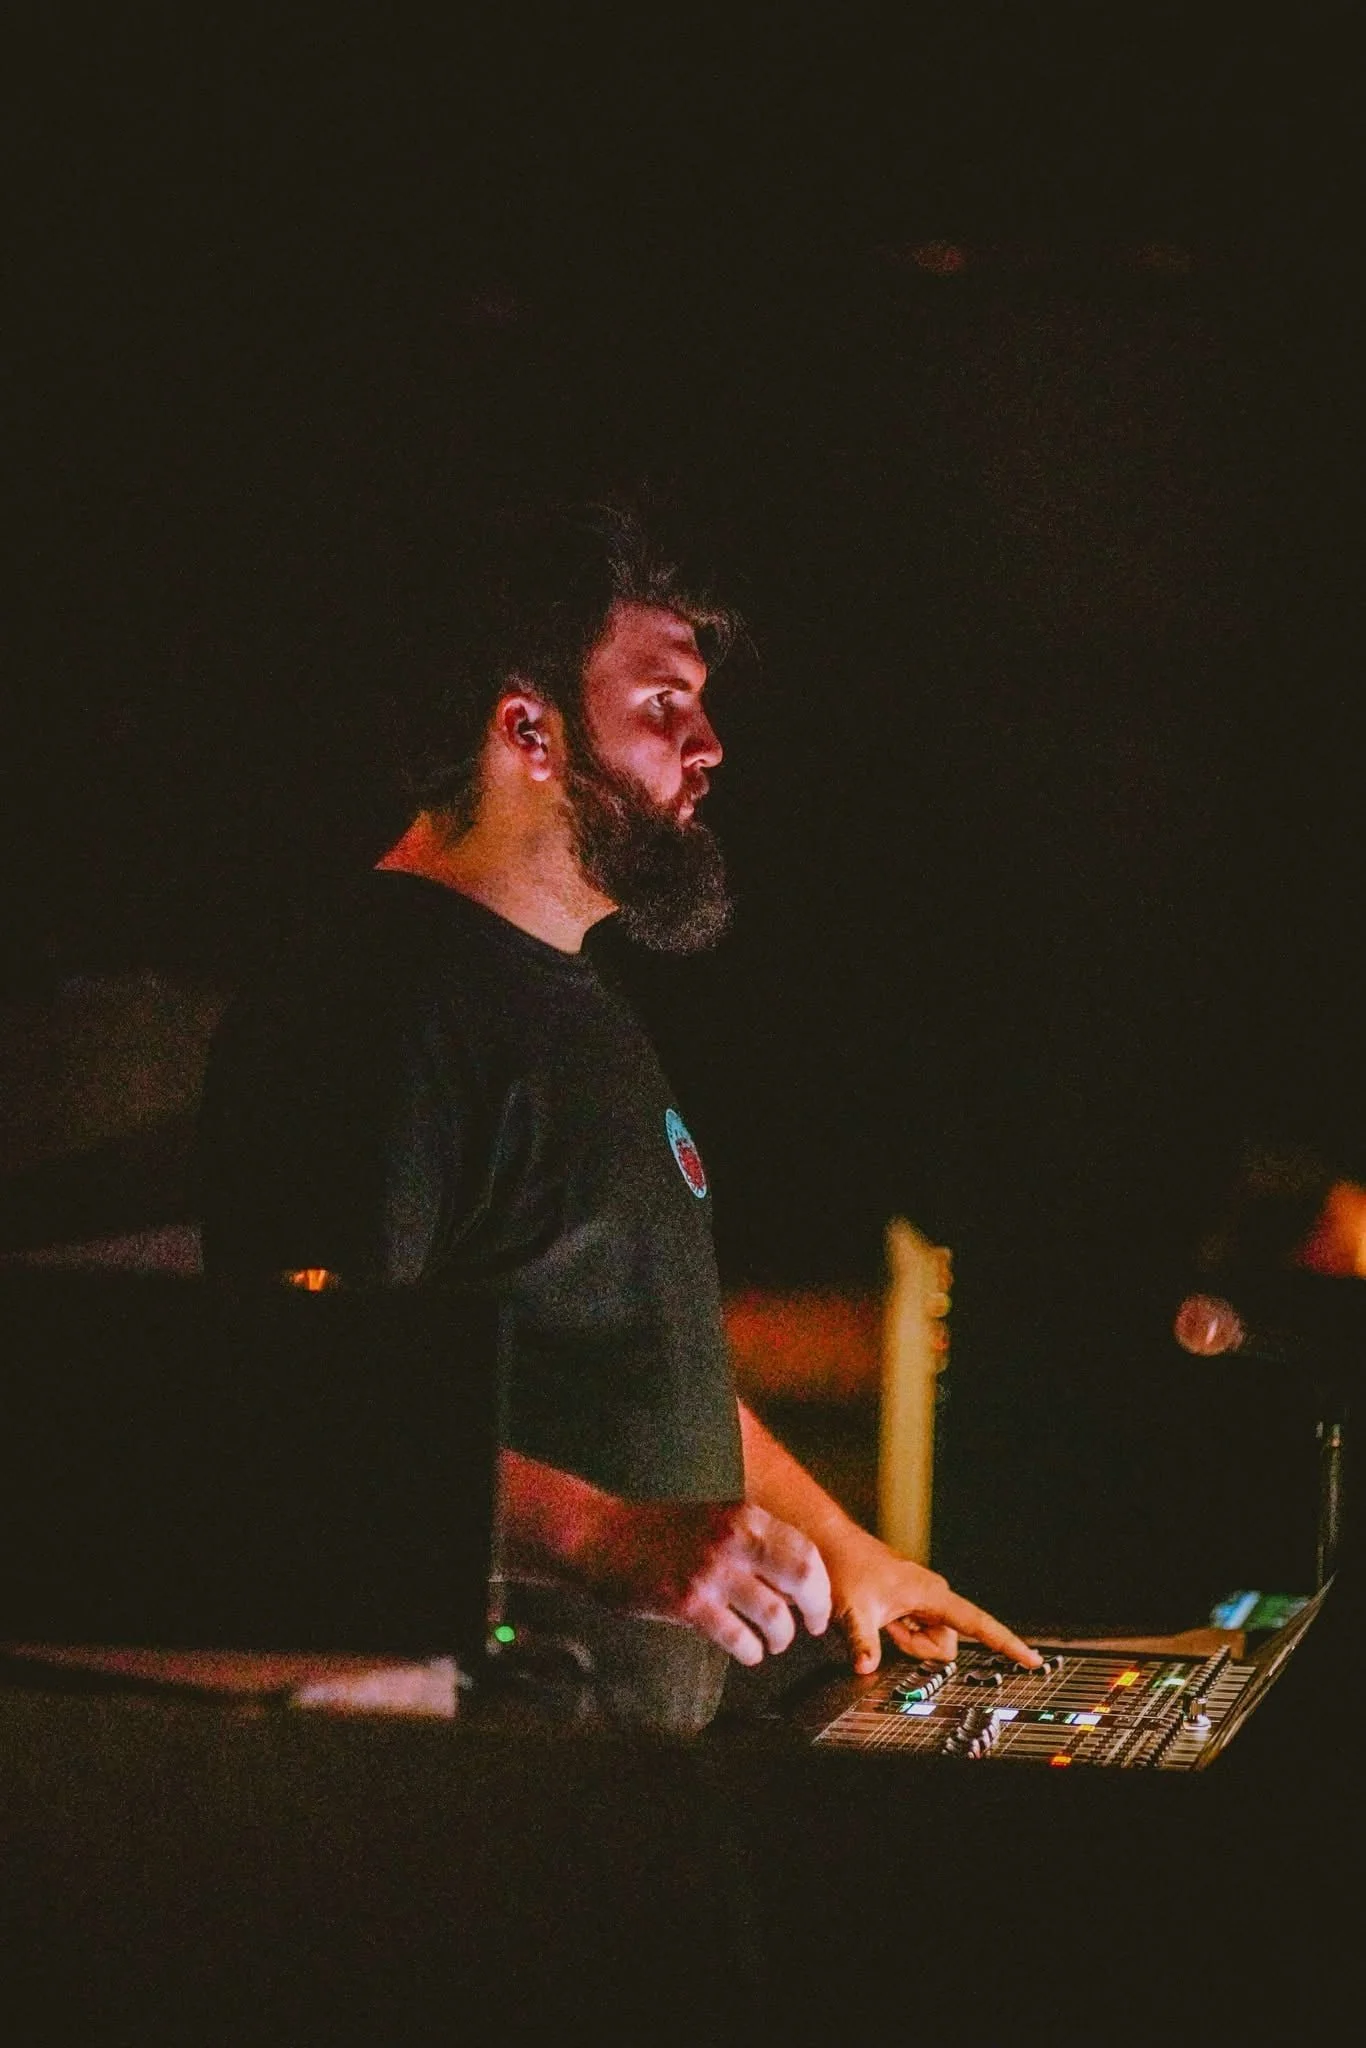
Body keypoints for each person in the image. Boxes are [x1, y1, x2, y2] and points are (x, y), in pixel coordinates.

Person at [196, 504, 1038, 1729]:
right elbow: (300, 1414)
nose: (707, 747)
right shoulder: (366, 1007)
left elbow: (646, 1375)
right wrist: (601, 1535)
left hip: (652, 1761)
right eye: (661, 706)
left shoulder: (579, 1001)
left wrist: (846, 1545)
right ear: (526, 727)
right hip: (502, 1782)